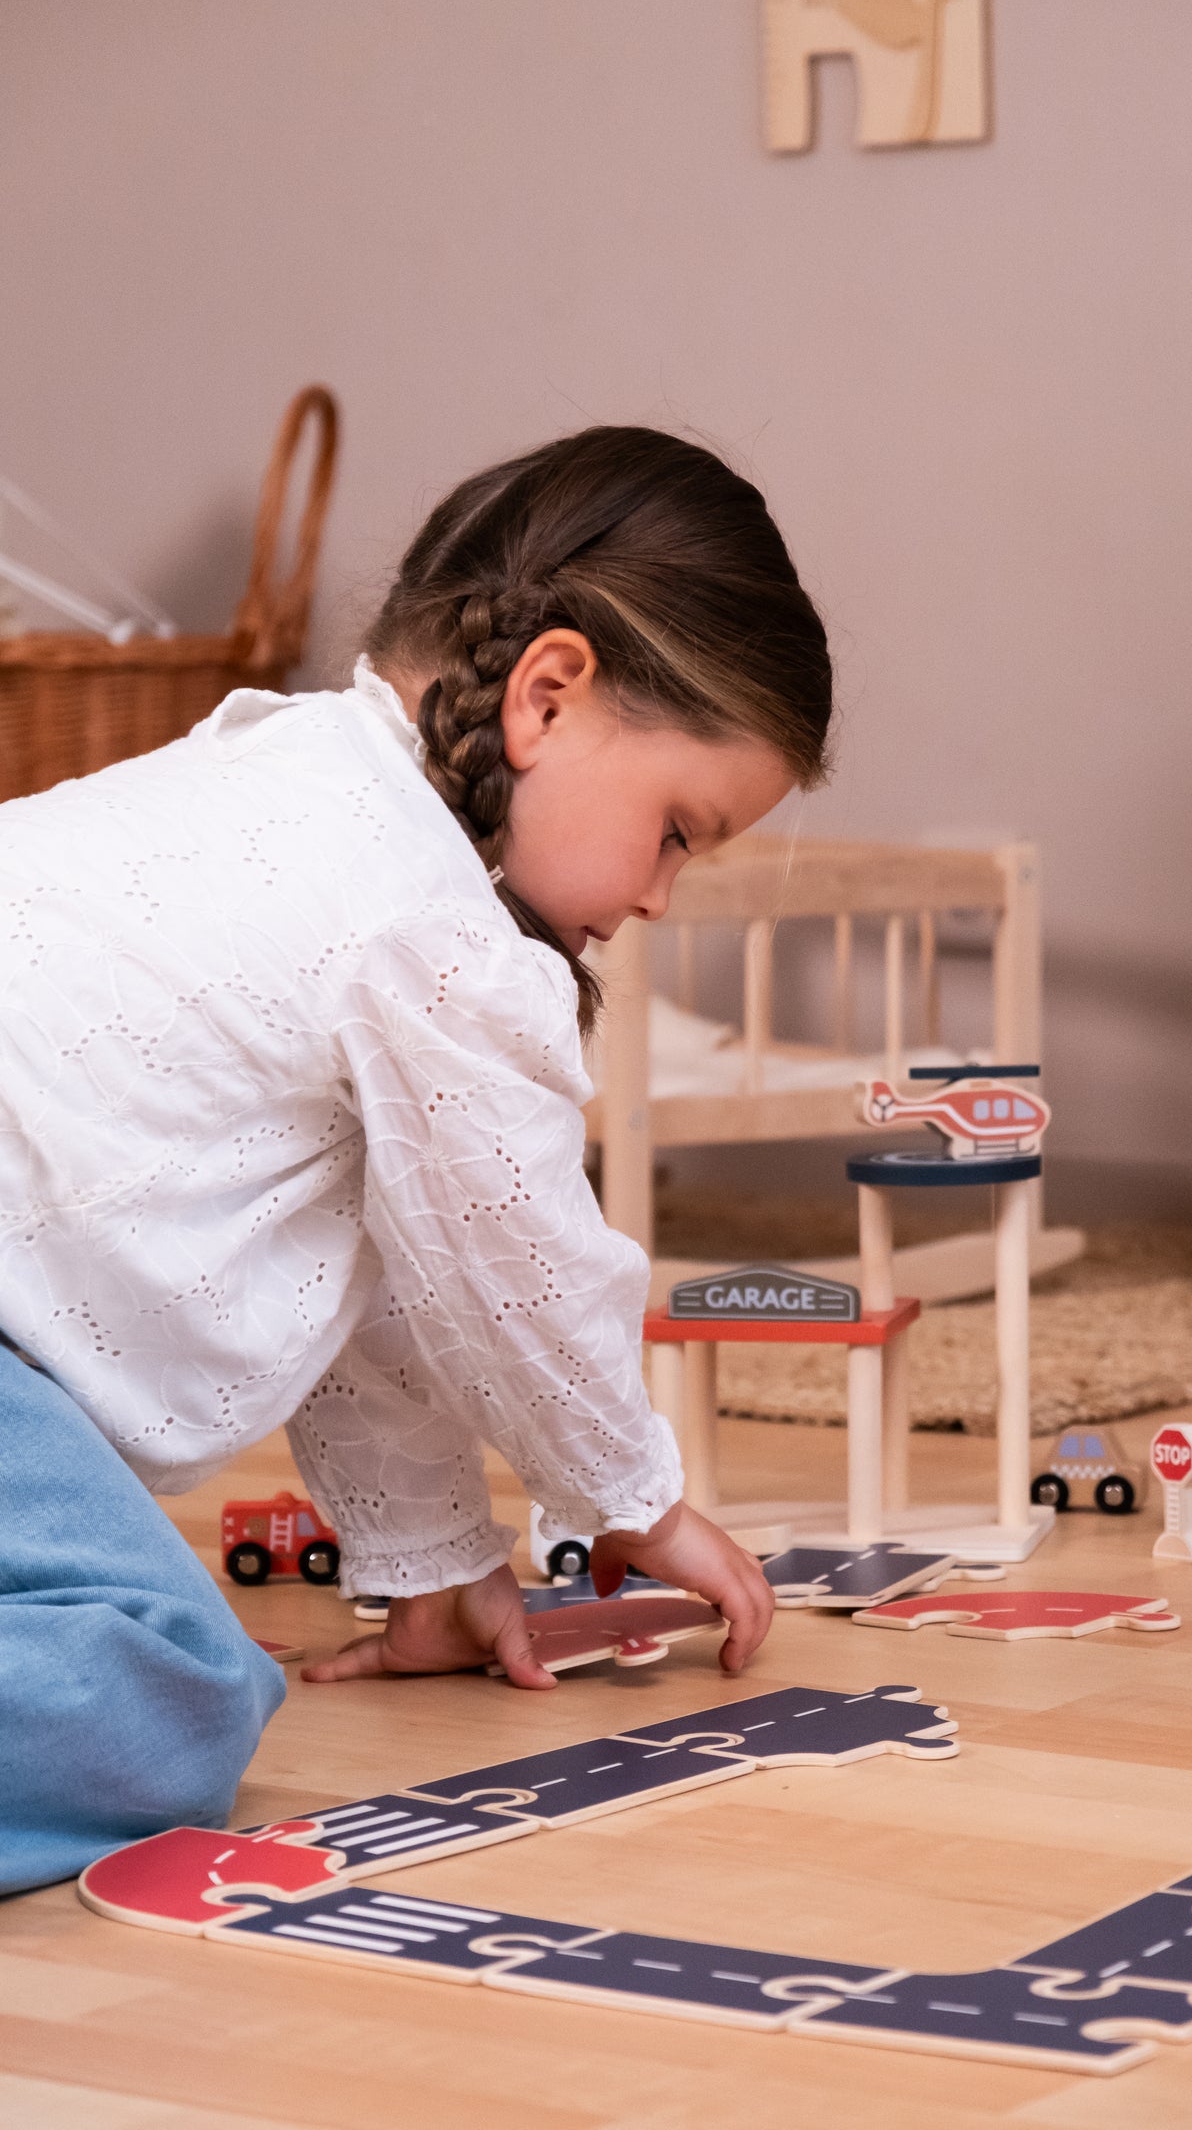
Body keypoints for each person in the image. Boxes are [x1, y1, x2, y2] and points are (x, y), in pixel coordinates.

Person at [0, 425, 833, 1893]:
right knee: (165, 1689)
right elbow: (520, 1278)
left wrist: (439, 1565)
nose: (656, 896)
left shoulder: (277, 774)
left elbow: (359, 1288)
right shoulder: (433, 933)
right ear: (548, 695)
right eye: (675, 834)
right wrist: (636, 1499)